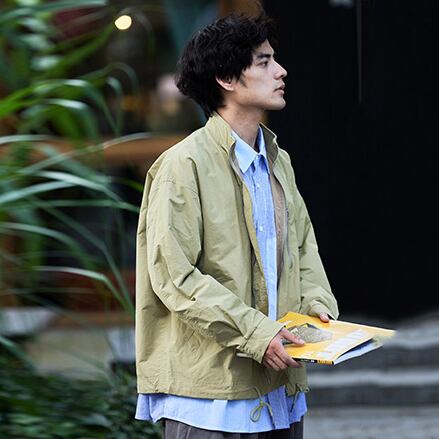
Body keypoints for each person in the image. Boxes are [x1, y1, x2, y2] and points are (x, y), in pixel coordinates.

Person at [135, 11, 339, 439]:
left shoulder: (279, 161)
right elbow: (175, 276)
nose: (280, 71)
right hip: (210, 400)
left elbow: (303, 246)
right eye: (264, 61)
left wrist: (318, 306)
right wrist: (257, 334)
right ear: (227, 79)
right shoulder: (182, 166)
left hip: (280, 390)